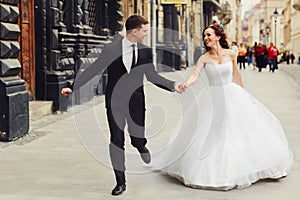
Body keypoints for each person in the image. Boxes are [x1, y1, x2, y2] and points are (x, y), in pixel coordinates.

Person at [150, 24, 293, 190]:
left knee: (239, 131)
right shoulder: (204, 58)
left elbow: (236, 74)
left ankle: (248, 166)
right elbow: (195, 75)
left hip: (232, 94)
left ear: (218, 36)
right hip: (212, 97)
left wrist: (244, 94)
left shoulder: (231, 53)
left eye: (209, 35)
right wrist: (185, 85)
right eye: (204, 36)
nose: (206, 38)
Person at [61, 14, 185, 196]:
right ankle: (120, 182)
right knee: (116, 141)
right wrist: (73, 86)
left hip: (136, 101)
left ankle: (141, 145)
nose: (145, 34)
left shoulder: (145, 50)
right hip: (115, 102)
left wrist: (173, 85)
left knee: (136, 137)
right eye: (144, 31)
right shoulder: (111, 49)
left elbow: (152, 76)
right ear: (134, 31)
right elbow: (95, 68)